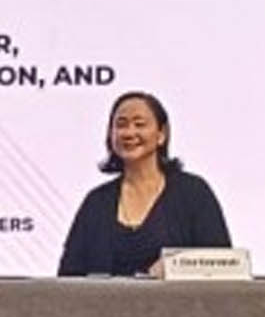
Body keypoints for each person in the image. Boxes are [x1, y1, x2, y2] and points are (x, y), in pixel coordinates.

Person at [57, 90, 230, 276]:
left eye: (139, 124)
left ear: (161, 134)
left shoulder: (193, 193)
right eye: (121, 125)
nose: (129, 133)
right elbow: (67, 277)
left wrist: (176, 267)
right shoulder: (96, 202)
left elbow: (224, 266)